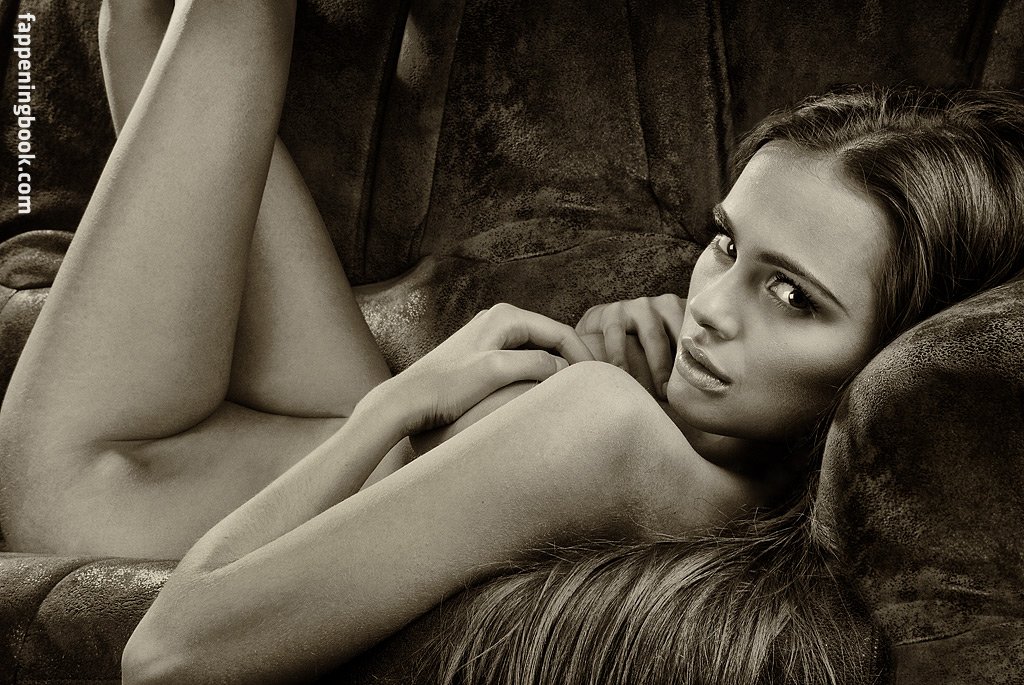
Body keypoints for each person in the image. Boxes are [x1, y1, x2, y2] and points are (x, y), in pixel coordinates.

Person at [0, 1, 1021, 683]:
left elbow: (167, 654)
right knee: (150, 19)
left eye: (792, 295)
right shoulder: (711, 464)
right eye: (725, 244)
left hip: (98, 479)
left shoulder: (607, 428)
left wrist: (397, 402)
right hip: (353, 453)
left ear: (889, 357)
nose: (711, 306)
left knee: (193, 19)